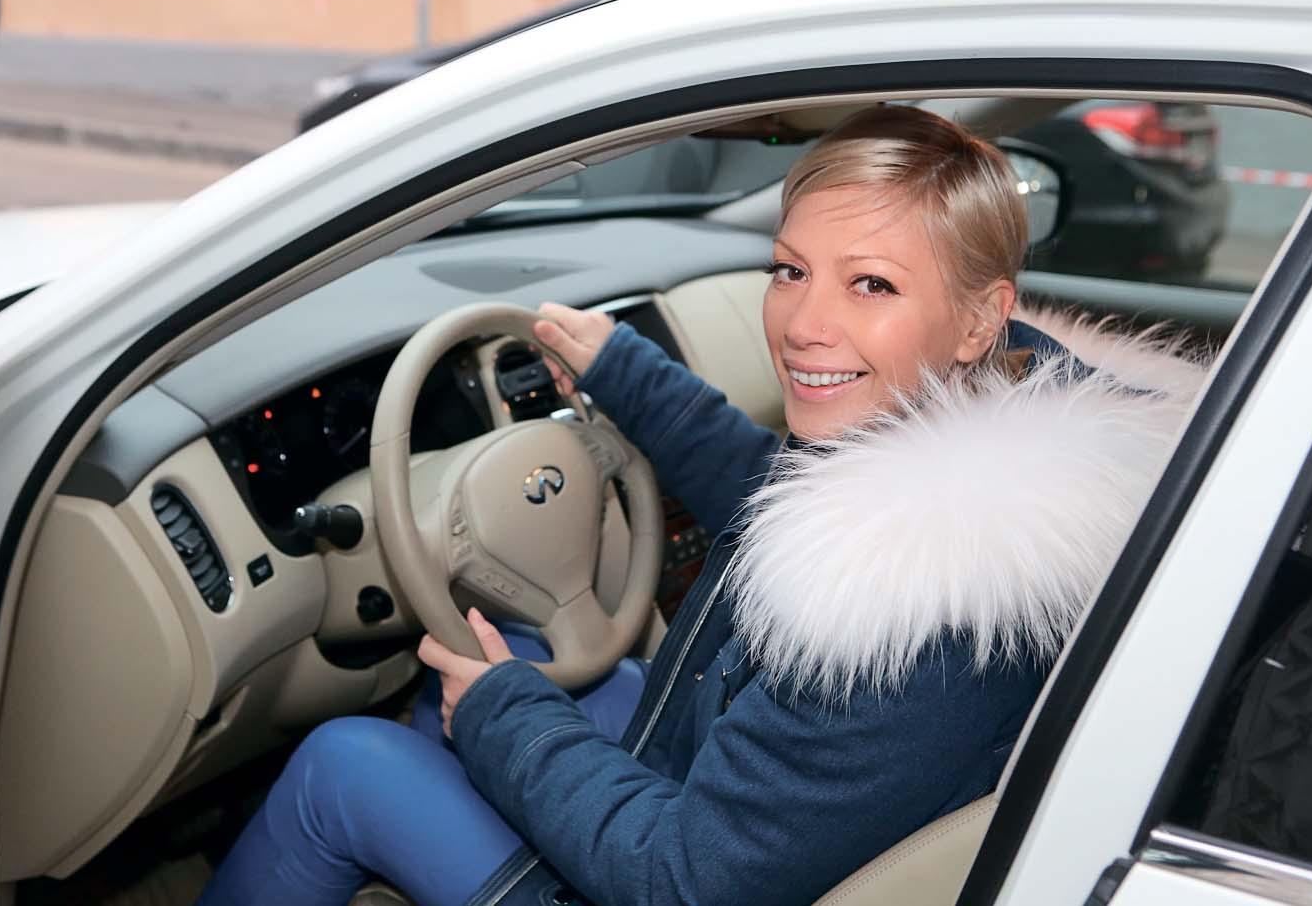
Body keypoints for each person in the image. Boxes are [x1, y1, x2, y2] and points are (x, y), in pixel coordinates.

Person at [198, 106, 1200, 906]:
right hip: (770, 833)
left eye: (870, 284)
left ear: (982, 318)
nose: (805, 324)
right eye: (789, 270)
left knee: (343, 763)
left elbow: (681, 881)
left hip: (681, 877)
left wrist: (505, 718)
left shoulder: (919, 619)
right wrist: (628, 373)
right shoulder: (974, 465)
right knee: (511, 657)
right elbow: (777, 503)